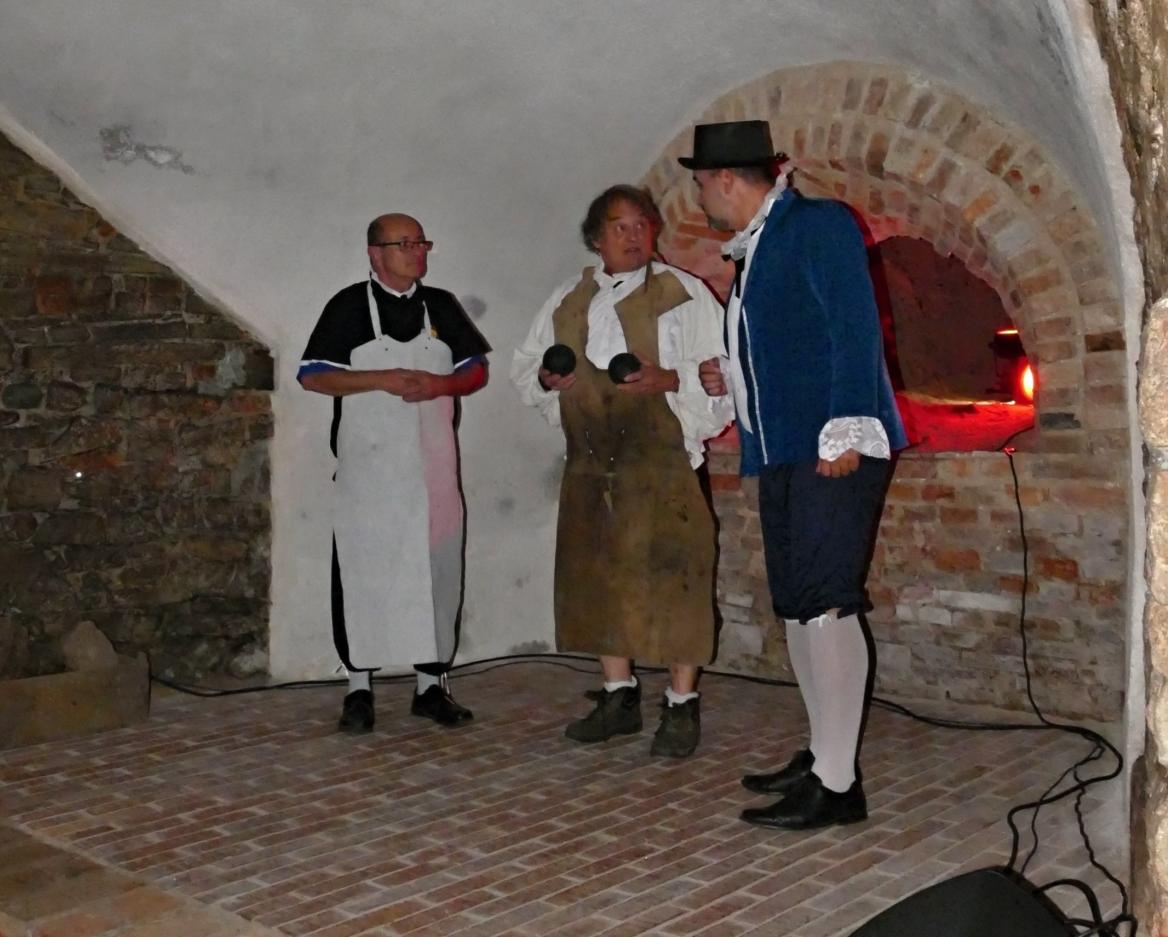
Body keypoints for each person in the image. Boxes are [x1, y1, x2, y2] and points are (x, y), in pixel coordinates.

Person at [685, 120, 907, 829]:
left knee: (826, 604)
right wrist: (730, 373)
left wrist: (847, 425)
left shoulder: (818, 224)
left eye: (701, 184)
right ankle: (822, 755)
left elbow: (853, 326)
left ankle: (838, 785)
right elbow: (790, 342)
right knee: (799, 605)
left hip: (832, 444)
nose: (700, 198)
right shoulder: (759, 245)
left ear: (725, 179)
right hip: (784, 446)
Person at [510, 185, 730, 758]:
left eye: (641, 225)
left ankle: (681, 704)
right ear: (596, 238)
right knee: (599, 580)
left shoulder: (683, 293)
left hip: (661, 462)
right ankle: (618, 695)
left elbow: (721, 372)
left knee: (677, 581)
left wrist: (671, 379)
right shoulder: (567, 298)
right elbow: (527, 367)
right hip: (590, 465)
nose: (633, 236)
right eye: (619, 227)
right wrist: (547, 381)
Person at [298, 213, 490, 733]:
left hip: (433, 473)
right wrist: (379, 378)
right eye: (405, 243)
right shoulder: (347, 306)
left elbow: (475, 369)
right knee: (363, 576)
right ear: (374, 253)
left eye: (421, 242)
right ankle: (358, 689)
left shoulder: (441, 306)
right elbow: (312, 375)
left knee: (437, 577)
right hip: (370, 473)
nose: (417, 251)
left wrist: (440, 386)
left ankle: (430, 688)